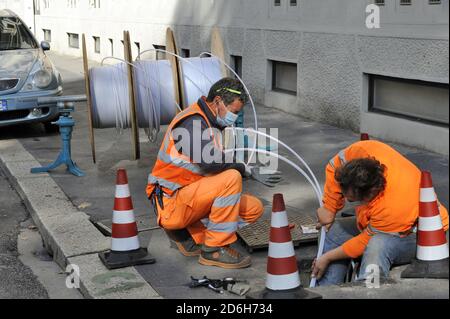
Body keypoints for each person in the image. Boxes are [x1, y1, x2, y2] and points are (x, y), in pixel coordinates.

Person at [146, 78, 282, 269]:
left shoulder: (210, 122)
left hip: (188, 197)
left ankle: (188, 235)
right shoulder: (192, 122)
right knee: (231, 178)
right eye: (234, 112)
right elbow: (211, 163)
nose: (235, 117)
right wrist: (246, 169)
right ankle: (214, 249)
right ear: (218, 101)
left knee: (253, 208)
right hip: (171, 203)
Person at [312, 140, 449, 285]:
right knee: (334, 231)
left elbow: (363, 242)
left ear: (371, 193)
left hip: (424, 237)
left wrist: (326, 257)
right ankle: (329, 290)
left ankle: (369, 289)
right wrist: (329, 208)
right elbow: (334, 166)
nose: (346, 199)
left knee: (377, 246)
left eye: (352, 200)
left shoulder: (392, 207)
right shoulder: (365, 150)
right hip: (388, 222)